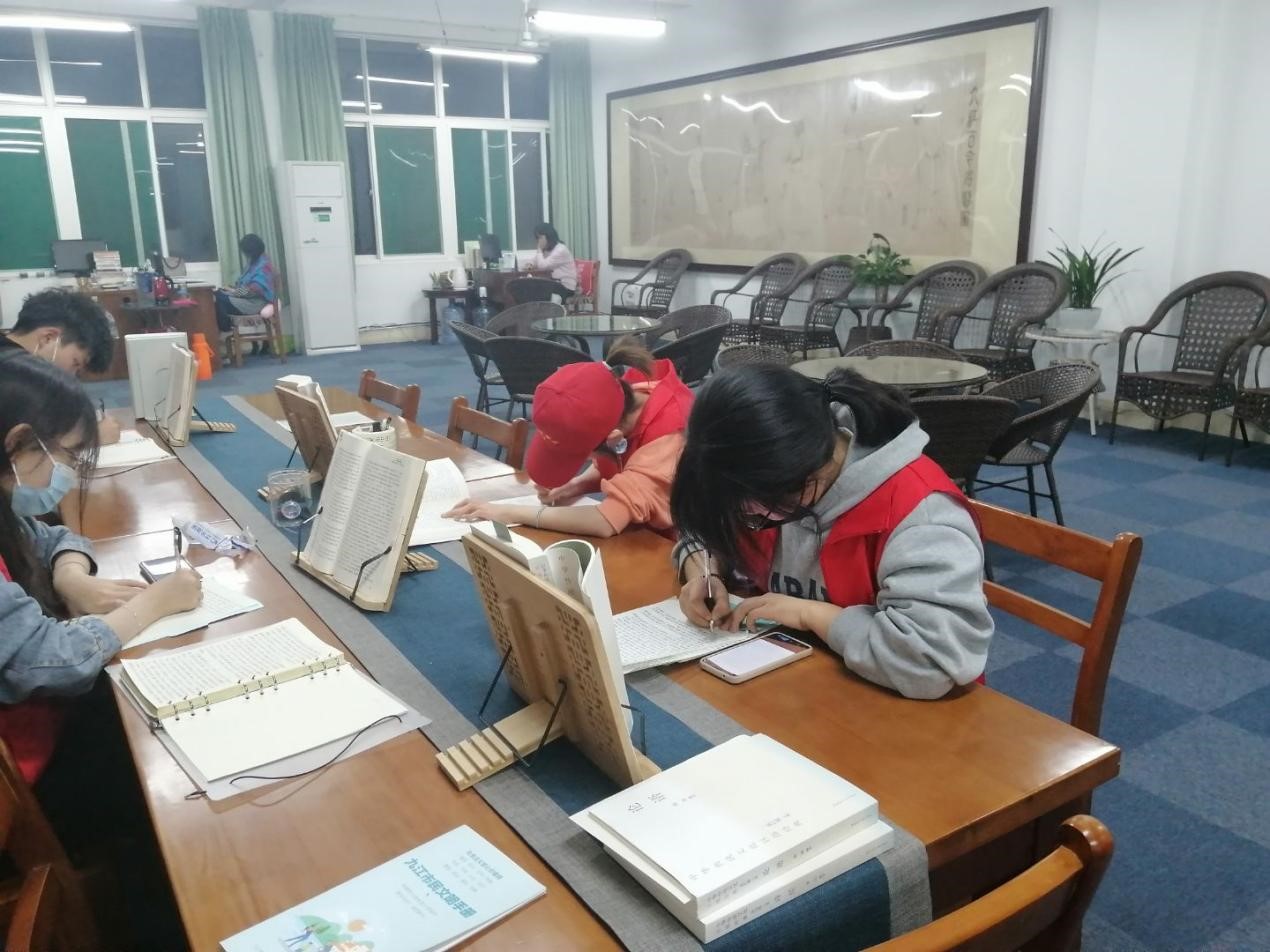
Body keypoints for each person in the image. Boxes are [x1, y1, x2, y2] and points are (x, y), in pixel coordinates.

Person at [670, 366, 992, 700]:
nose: (746, 519)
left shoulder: (923, 519)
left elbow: (930, 663)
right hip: (802, 679)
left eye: (751, 512)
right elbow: (705, 526)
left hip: (902, 707)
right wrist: (704, 571)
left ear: (798, 480)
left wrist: (810, 613)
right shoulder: (773, 474)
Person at [0, 356, 202, 782]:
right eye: (67, 455)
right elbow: (49, 660)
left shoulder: (6, 507)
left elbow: (53, 538)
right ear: (17, 444)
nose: (69, 473)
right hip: (28, 763)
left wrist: (70, 576)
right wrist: (151, 605)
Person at [445, 337, 693, 537]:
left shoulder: (671, 434)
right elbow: (616, 463)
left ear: (612, 435)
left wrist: (508, 512)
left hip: (680, 552)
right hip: (640, 534)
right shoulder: (618, 397)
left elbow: (606, 520)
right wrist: (572, 486)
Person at [1, 288, 120, 444]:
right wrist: (89, 438)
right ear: (48, 338)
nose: (71, 376)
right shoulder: (10, 376)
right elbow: (16, 450)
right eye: (75, 363)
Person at [215, 233, 276, 352]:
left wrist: (233, 292)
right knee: (218, 294)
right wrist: (231, 289)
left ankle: (225, 327)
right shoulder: (253, 263)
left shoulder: (264, 266)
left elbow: (254, 289)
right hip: (247, 298)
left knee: (218, 297)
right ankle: (224, 326)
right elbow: (244, 284)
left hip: (256, 303)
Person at [524, 222, 578, 293]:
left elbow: (542, 266)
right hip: (554, 284)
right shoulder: (547, 249)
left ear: (548, 236)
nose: (538, 241)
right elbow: (535, 261)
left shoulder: (560, 250)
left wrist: (539, 249)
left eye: (540, 238)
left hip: (565, 287)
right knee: (528, 288)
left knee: (534, 291)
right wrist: (530, 264)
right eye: (537, 238)